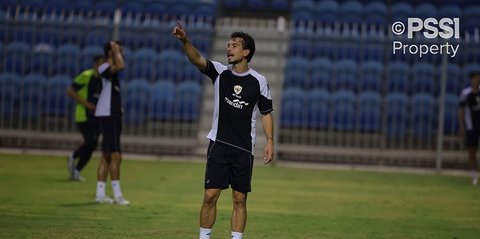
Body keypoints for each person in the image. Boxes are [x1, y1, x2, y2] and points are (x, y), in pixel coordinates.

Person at [173, 23, 275, 239]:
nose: (229, 48)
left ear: (246, 52)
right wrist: (184, 40)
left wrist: (270, 141)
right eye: (228, 45)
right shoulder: (220, 72)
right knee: (210, 195)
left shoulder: (259, 81)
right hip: (219, 144)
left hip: (244, 149)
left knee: (240, 198)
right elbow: (197, 59)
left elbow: (266, 113)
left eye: (235, 45)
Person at [94, 41, 130, 205]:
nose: (120, 52)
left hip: (112, 113)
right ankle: (117, 195)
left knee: (107, 155)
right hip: (108, 114)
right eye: (118, 49)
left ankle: (100, 194)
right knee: (116, 155)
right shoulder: (103, 67)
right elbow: (120, 65)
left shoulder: (109, 70)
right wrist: (115, 50)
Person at [67, 55, 104, 182]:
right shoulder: (86, 76)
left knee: (93, 144)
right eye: (100, 64)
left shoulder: (104, 79)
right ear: (95, 64)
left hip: (98, 116)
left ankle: (76, 171)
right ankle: (73, 156)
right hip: (83, 115)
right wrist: (86, 104)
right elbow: (71, 91)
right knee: (91, 141)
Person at [458, 71, 480, 186]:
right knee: (472, 151)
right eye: (476, 79)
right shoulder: (465, 93)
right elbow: (461, 110)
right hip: (471, 126)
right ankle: (474, 176)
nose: (478, 81)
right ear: (472, 80)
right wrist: (462, 126)